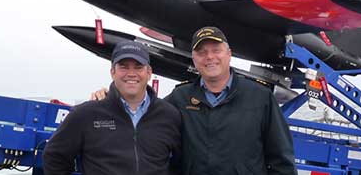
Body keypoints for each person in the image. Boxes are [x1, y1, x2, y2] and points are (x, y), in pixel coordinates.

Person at [91, 27, 297, 175]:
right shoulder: (179, 98)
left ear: (229, 54)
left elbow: (282, 161)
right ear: (194, 58)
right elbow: (142, 114)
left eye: (216, 50)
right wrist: (110, 99)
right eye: (202, 52)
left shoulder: (260, 98)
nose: (210, 57)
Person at [44, 41, 181, 175]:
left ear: (149, 72)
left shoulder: (169, 115)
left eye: (138, 67)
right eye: (124, 67)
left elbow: (181, 163)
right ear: (112, 72)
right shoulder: (85, 114)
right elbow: (55, 157)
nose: (131, 73)